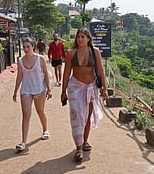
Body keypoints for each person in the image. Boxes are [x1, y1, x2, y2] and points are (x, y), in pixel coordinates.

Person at [61, 28, 108, 162]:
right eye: (78, 37)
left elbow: (101, 71)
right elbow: (66, 73)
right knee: (77, 115)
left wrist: (105, 89)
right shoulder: (71, 53)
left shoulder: (95, 52)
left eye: (83, 37)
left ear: (88, 38)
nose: (80, 39)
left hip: (91, 87)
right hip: (75, 87)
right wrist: (63, 91)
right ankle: (78, 147)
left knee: (87, 115)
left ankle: (85, 140)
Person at [13, 37, 53, 152]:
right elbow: (19, 76)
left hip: (39, 89)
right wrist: (15, 91)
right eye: (24, 47)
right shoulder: (20, 60)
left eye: (28, 47)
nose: (26, 49)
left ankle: (45, 129)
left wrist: (49, 90)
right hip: (25, 90)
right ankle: (23, 142)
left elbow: (45, 74)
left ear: (33, 47)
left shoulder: (40, 59)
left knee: (40, 111)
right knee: (26, 115)